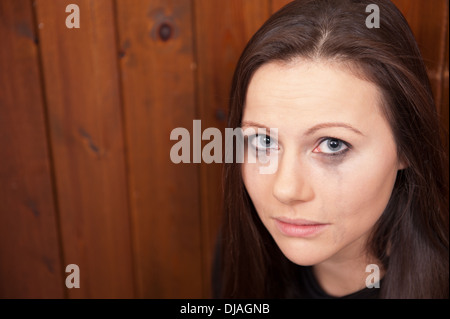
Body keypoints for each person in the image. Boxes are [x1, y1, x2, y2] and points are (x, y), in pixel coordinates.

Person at [213, 0, 449, 298]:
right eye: (264, 141)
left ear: (407, 147)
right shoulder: (241, 255)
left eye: (333, 144)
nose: (285, 190)